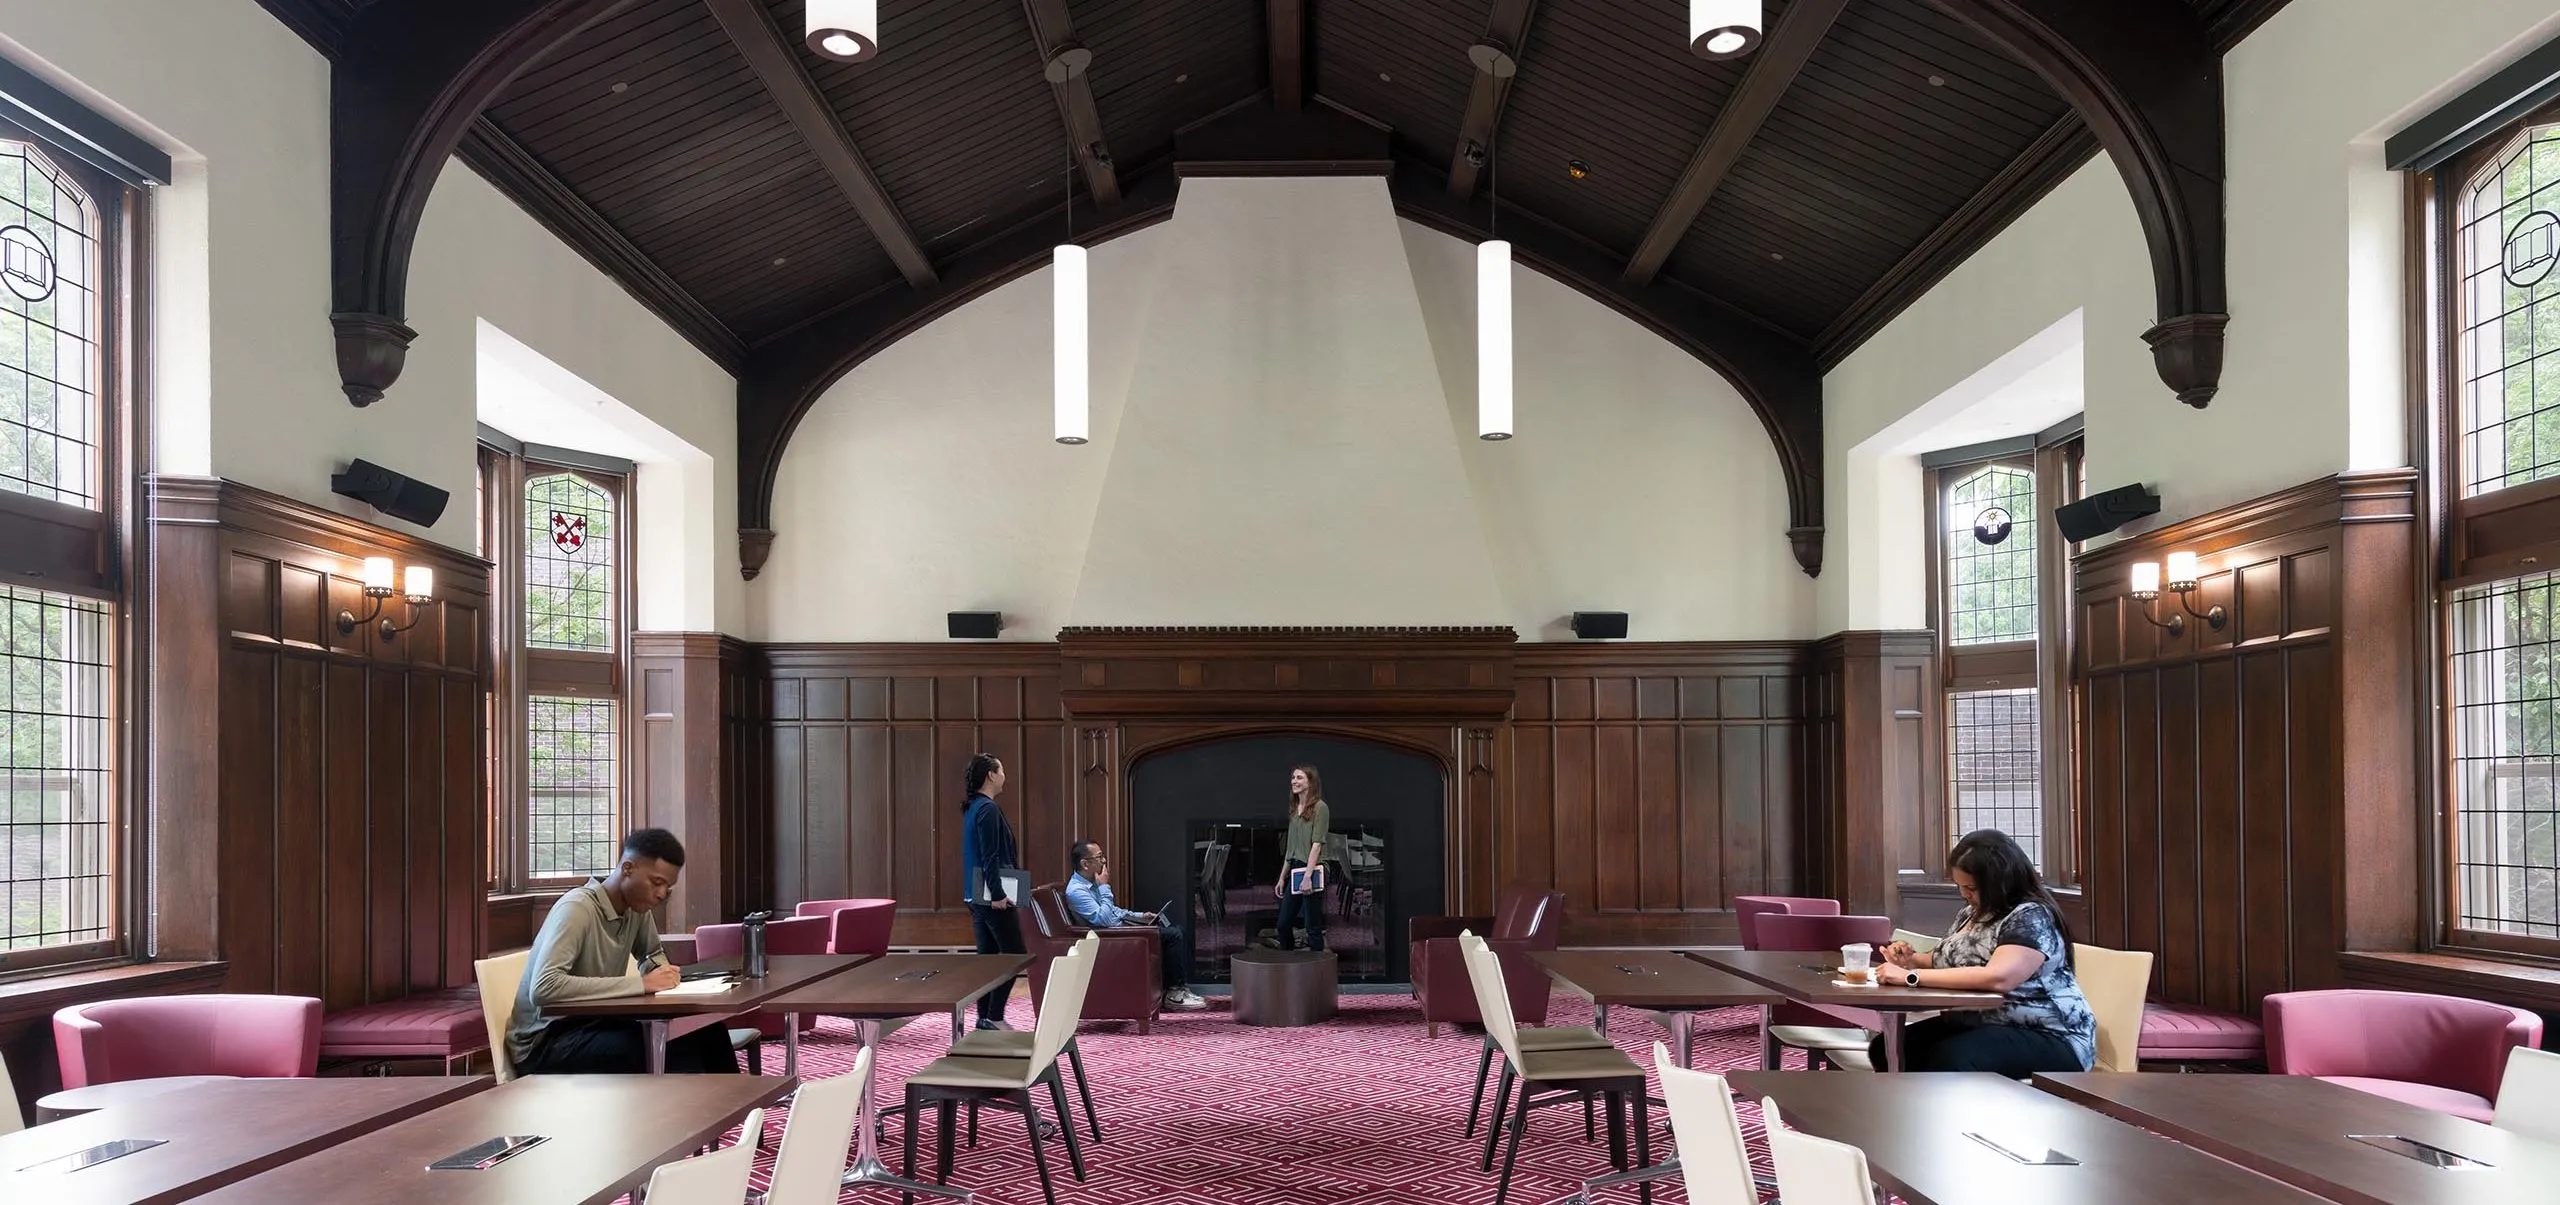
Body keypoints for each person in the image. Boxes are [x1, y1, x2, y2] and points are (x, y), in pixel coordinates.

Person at [511, 828, 739, 1074]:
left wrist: (662, 971)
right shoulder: (577, 908)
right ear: (628, 868)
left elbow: (651, 954)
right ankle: (692, 1113)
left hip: (596, 1024)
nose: (662, 894)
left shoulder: (636, 910)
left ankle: (744, 1112)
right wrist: (641, 984)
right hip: (546, 1043)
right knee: (677, 1051)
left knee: (709, 1033)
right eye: (656, 882)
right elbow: (545, 988)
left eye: (668, 888)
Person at [1872, 829, 2097, 1075]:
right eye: (1960, 886)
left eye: (1972, 887)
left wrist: (1910, 977)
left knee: (1951, 1058)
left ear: (2001, 881)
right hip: (1980, 1022)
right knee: (1886, 1048)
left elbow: (1999, 977)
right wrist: (1910, 960)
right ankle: (1909, 1112)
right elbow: (1945, 963)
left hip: (2048, 1034)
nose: (1964, 894)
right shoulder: (1972, 913)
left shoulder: (2030, 915)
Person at [1064, 840, 1209, 1011]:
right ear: (1085, 863)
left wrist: (1139, 916)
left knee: (1178, 930)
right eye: (1100, 857)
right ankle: (1174, 994)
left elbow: (1112, 911)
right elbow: (1102, 920)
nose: (1104, 861)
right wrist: (1105, 887)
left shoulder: (1091, 884)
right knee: (1173, 935)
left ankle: (1179, 988)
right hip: (1114, 937)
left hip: (1120, 928)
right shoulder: (1077, 891)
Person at [960, 752, 1026, 1031]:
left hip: (976, 896)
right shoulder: (987, 808)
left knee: (987, 961)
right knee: (1014, 955)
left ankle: (985, 1019)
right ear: (991, 774)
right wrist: (998, 894)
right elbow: (990, 857)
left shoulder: (976, 807)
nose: (1004, 776)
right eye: (1002, 770)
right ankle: (994, 1016)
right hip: (991, 898)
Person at [1273, 764, 1330, 952]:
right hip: (1296, 870)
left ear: (1310, 782)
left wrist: (1307, 877)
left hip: (1313, 870)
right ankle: (1289, 967)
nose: (1294, 781)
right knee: (1283, 924)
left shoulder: (1320, 808)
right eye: (1293, 778)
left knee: (1312, 927)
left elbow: (1317, 844)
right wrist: (1282, 878)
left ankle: (1318, 974)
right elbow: (1290, 849)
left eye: (1299, 778)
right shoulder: (1294, 809)